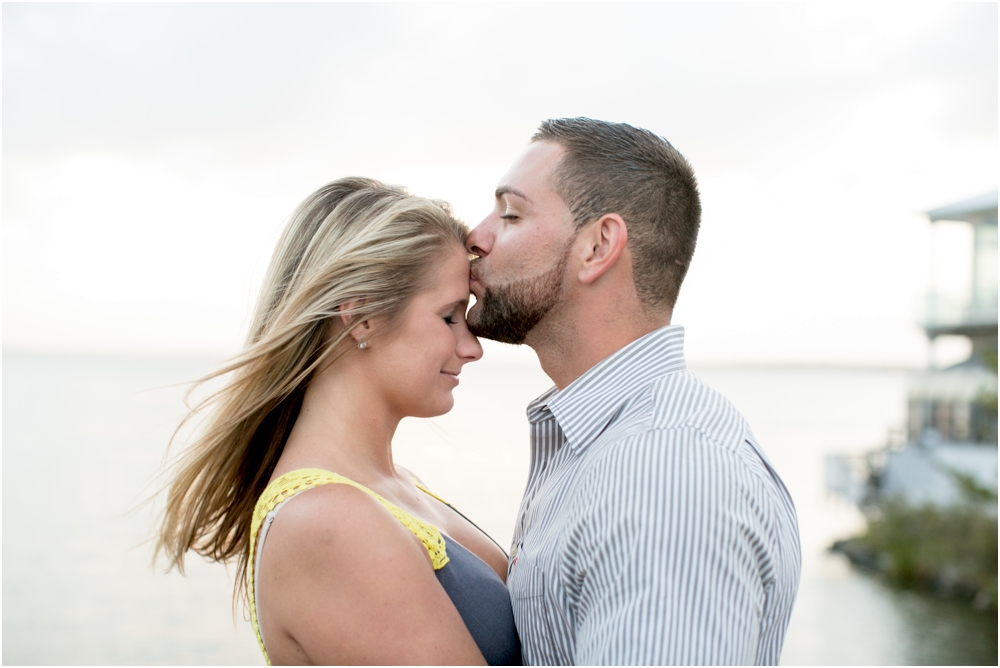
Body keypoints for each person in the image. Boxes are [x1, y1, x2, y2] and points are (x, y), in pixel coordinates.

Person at [465, 118, 801, 665]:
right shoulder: (611, 444)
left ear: (598, 246)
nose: (476, 237)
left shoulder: (666, 472)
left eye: (510, 214)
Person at [156, 178, 521, 665]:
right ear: (362, 316)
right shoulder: (326, 521)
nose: (472, 347)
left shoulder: (389, 487)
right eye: (450, 317)